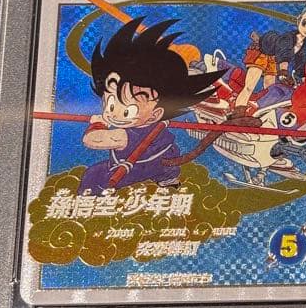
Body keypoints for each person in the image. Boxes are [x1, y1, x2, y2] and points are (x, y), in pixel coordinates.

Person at [78, 18, 223, 194]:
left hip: (139, 167)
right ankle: (169, 179)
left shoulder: (125, 135)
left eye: (127, 111)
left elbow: (92, 140)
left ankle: (89, 197)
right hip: (164, 162)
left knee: (93, 174)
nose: (113, 114)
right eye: (110, 105)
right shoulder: (156, 123)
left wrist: (97, 124)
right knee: (165, 156)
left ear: (155, 114)